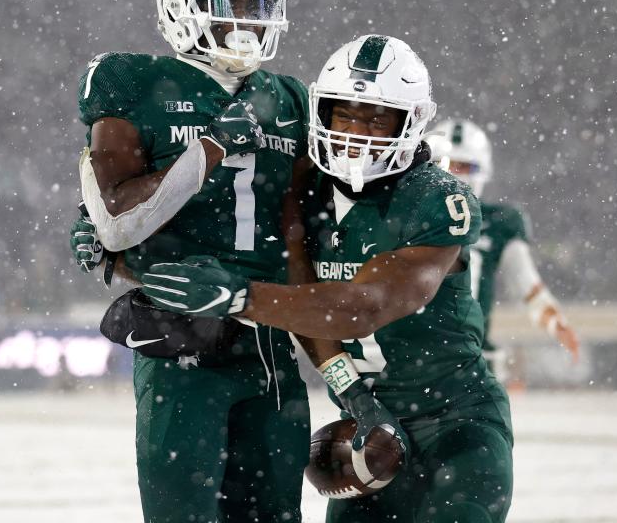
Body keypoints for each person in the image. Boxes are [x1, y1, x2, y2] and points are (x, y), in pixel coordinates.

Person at [140, 35, 514, 523]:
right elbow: (287, 289)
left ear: (412, 123)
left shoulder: (434, 198)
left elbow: (361, 308)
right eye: (346, 114)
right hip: (368, 426)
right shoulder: (305, 187)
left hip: (456, 424)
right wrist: (120, 239)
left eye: (377, 117)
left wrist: (239, 297)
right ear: (322, 113)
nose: (357, 132)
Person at [71, 0, 315, 523]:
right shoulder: (134, 80)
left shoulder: (291, 98)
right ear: (181, 5)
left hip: (269, 342)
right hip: (181, 344)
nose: (249, 17)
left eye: (260, 1)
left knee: (275, 515)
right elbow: (118, 223)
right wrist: (208, 149)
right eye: (231, 0)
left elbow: (315, 223)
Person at [424, 119, 580, 373]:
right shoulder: (407, 216)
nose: (455, 174)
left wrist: (555, 321)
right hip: (417, 349)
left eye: (464, 165)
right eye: (449, 164)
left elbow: (524, 281)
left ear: (482, 169)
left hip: (474, 352)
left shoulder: (500, 222)